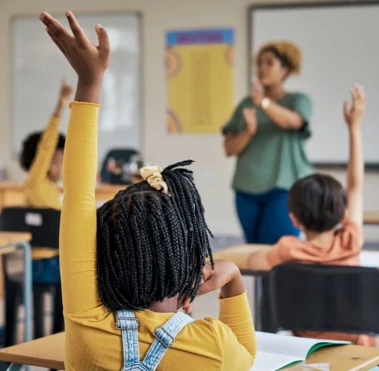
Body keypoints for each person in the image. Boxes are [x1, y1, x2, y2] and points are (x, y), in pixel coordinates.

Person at [40, 11, 256, 370]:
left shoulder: (87, 325)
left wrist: (88, 83)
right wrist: (231, 279)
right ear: (188, 257)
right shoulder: (214, 348)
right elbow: (248, 358)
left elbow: (77, 197)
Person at [248, 84, 375, 347]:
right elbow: (355, 186)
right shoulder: (350, 239)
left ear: (293, 218)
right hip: (359, 353)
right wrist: (354, 128)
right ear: (342, 213)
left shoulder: (287, 250)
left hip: (308, 352)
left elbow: (253, 260)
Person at [222, 41, 313, 245]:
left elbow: (293, 122)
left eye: (269, 63)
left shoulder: (298, 100)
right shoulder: (245, 105)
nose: (262, 68)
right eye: (259, 63)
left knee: (279, 251)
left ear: (285, 70)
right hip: (246, 189)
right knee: (253, 253)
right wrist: (248, 131)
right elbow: (229, 149)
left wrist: (263, 102)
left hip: (284, 188)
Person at [20, 80, 74, 209]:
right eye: (55, 162)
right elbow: (46, 148)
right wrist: (61, 104)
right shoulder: (36, 182)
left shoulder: (52, 188)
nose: (60, 168)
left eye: (62, 163)